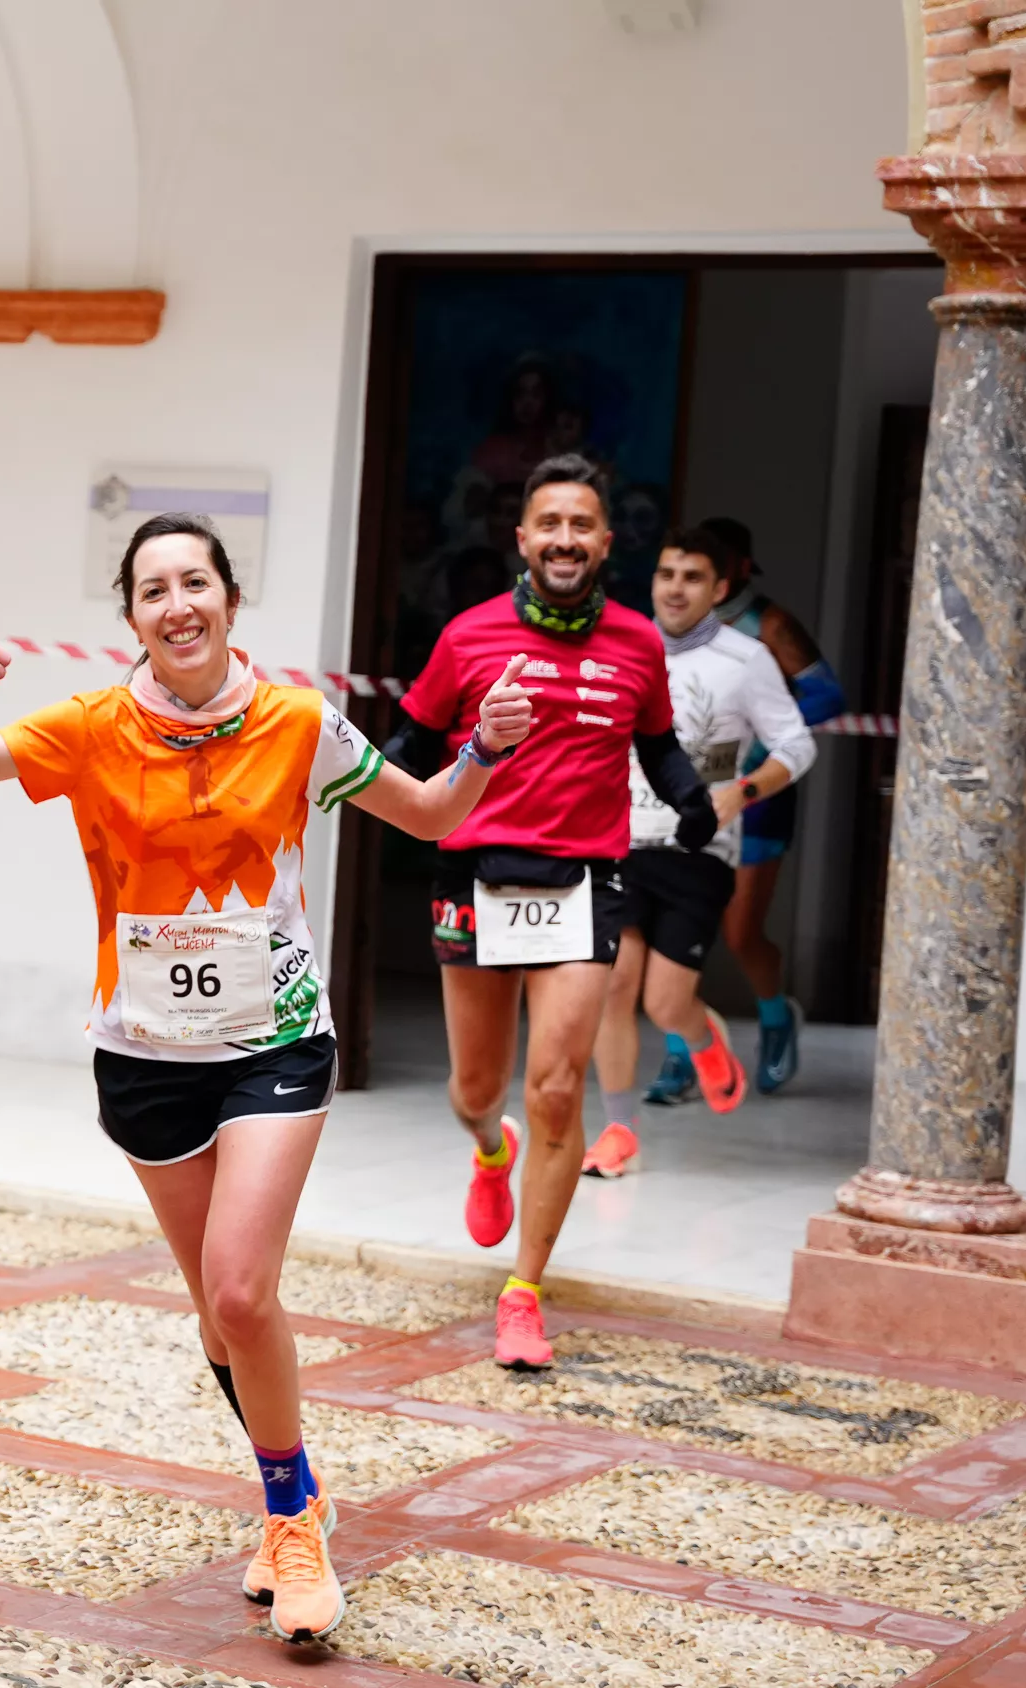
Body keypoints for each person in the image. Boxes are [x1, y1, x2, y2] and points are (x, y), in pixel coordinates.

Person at [0, 513, 538, 1644]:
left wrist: (484, 744)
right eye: (153, 589)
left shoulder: (296, 722)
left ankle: (291, 1517)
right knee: (216, 1315)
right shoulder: (90, 728)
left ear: (231, 598)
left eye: (197, 580)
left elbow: (432, 813)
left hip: (276, 1041)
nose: (178, 603)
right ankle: (297, 1479)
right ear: (131, 614)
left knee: (244, 1288)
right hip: (143, 1059)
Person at [386, 455, 712, 1371]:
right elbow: (412, 736)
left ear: (607, 542)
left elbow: (657, 746)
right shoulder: (469, 635)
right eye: (550, 525)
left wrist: (690, 800)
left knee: (559, 1086)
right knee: (476, 1092)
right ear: (522, 538)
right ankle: (492, 1152)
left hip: (582, 884)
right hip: (476, 877)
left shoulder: (640, 643)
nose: (566, 540)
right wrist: (358, 780)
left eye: (582, 526)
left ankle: (524, 1291)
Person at [582, 528, 816, 1178]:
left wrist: (740, 793)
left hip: (699, 848)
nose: (675, 588)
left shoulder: (747, 660)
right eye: (665, 574)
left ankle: (702, 1037)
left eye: (691, 577)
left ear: (718, 590)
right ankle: (619, 1132)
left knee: (663, 1001)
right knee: (614, 987)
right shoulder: (621, 647)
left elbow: (798, 747)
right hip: (618, 843)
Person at [645, 517, 844, 1098]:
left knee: (738, 930)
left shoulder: (769, 625)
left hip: (754, 792)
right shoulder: (653, 635)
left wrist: (759, 729)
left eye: (707, 569)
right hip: (673, 803)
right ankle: (681, 1057)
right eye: (672, 572)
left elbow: (829, 695)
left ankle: (775, 1017)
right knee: (673, 932)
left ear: (730, 576)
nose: (684, 584)